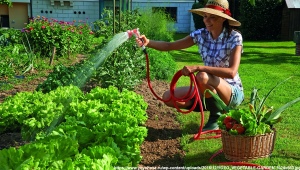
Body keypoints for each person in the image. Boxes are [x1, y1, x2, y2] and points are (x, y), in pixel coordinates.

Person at [136, 0, 244, 131]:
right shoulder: (201, 35)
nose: (207, 20)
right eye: (205, 16)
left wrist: (199, 67)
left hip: (230, 91)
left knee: (203, 76)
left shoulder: (234, 37)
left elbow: (232, 72)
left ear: (222, 19)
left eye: (212, 17)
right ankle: (207, 104)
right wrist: (148, 42)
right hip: (207, 88)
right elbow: (170, 46)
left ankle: (215, 117)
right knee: (168, 97)